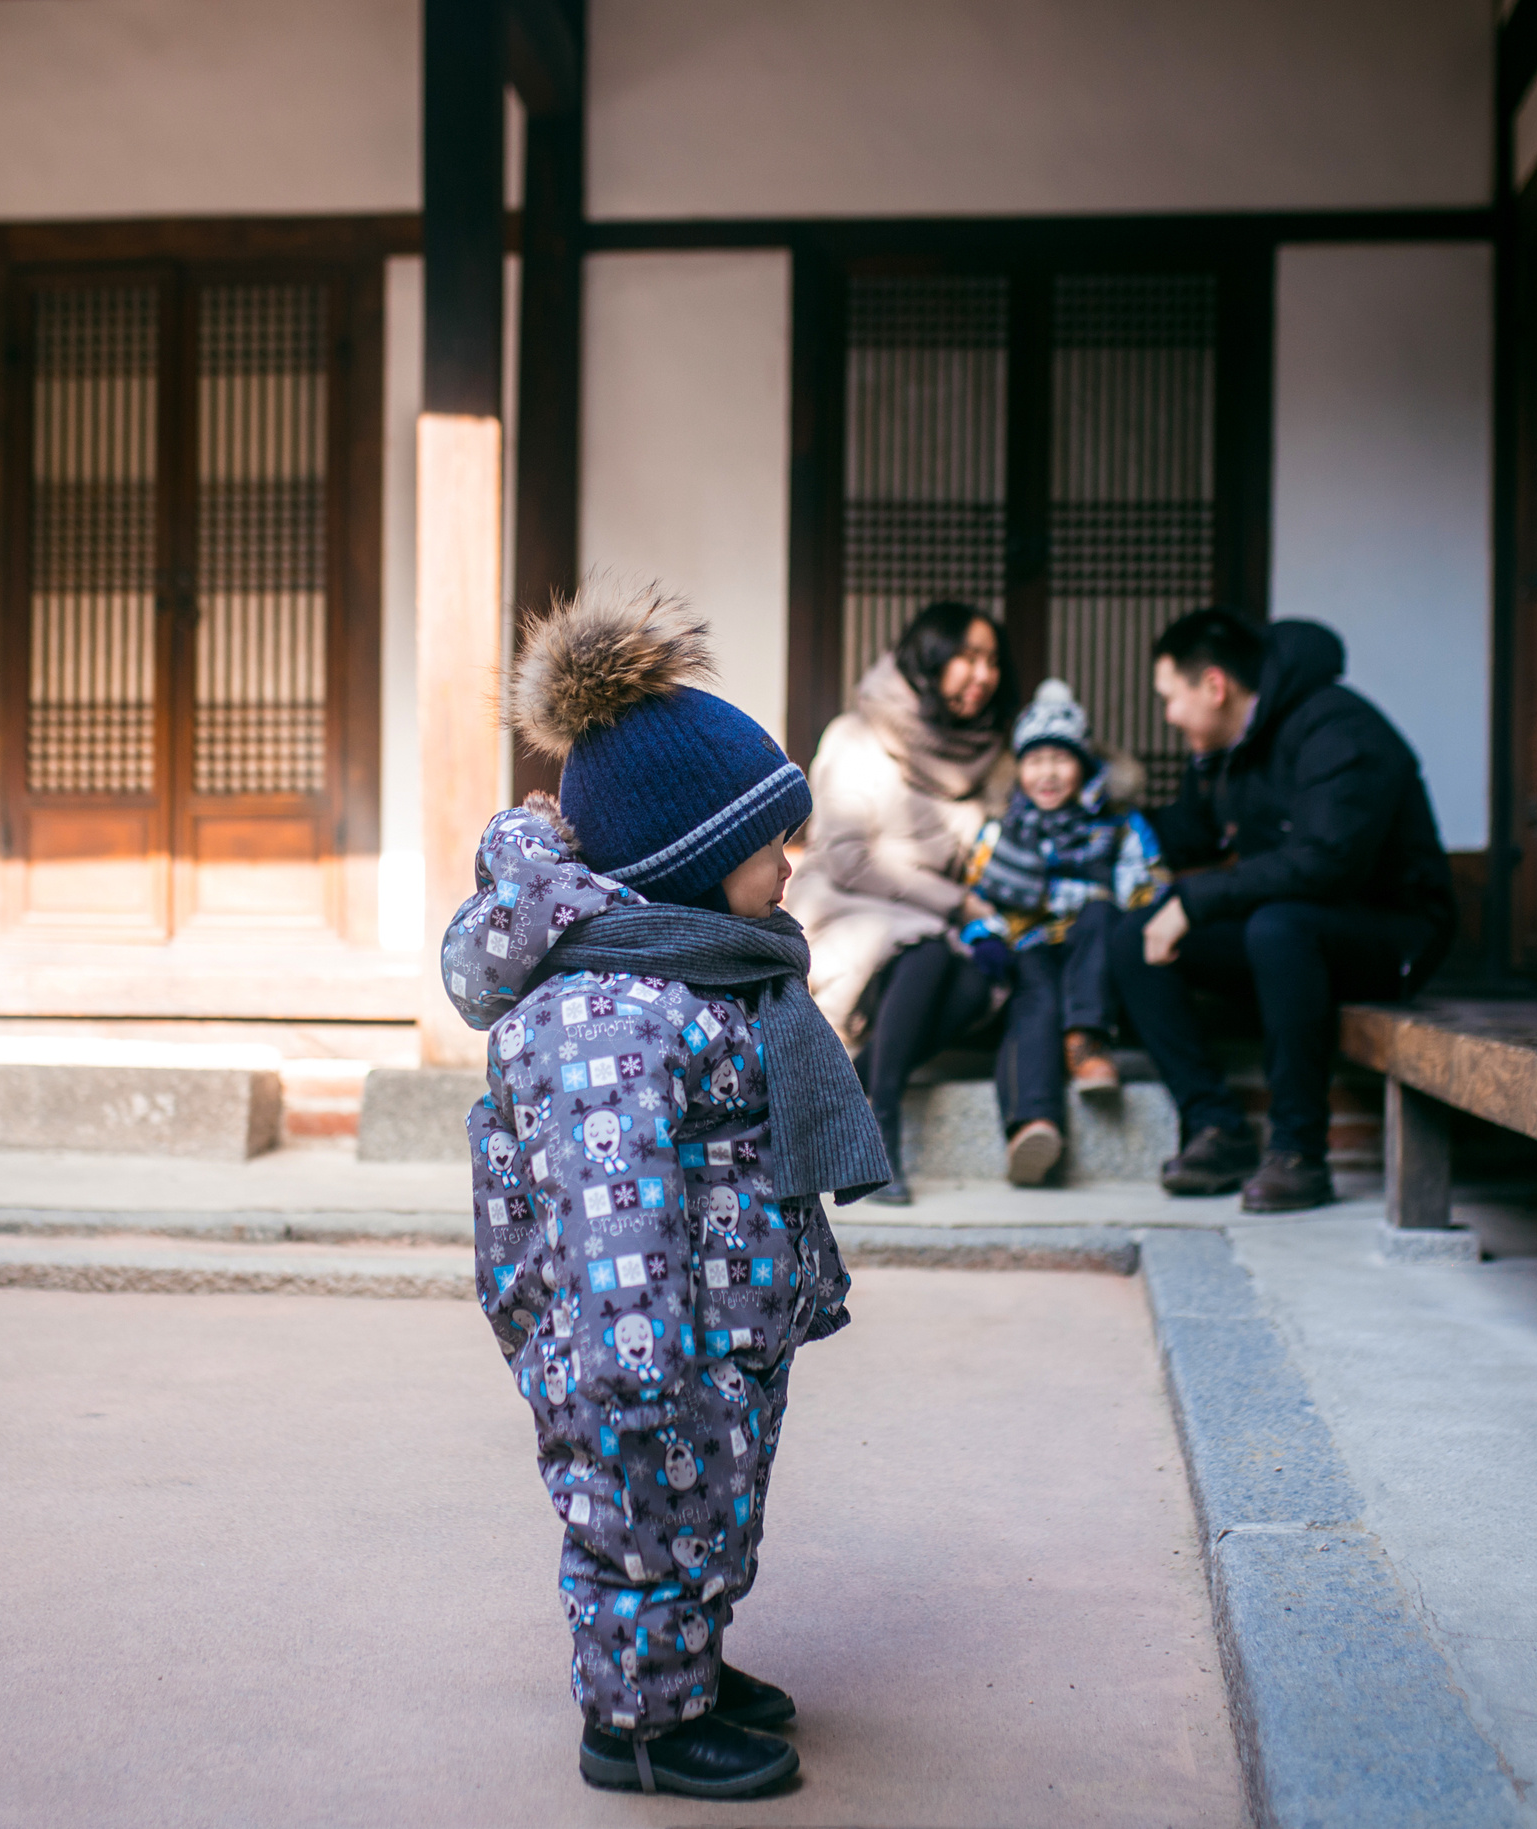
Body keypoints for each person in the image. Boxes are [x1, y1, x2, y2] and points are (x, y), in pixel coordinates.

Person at [443, 580, 891, 1801]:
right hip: (645, 1337)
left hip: (719, 1323)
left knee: (713, 1495)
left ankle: (687, 1660)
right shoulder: (605, 1016)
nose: (790, 863)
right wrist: (640, 1365)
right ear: (688, 851)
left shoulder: (695, 972)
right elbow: (608, 1216)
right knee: (645, 1500)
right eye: (770, 841)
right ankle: (637, 1720)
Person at [1109, 609, 1455, 1211]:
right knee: (1133, 936)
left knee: (1278, 926)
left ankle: (1299, 1153)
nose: (1168, 716)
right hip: (1294, 937)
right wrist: (1089, 828)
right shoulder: (1226, 752)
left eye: (1170, 698)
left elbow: (1325, 864)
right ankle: (1216, 1127)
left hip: (1391, 938)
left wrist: (1194, 899)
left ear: (1214, 686)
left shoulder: (1338, 730)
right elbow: (1190, 830)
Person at [788, 600, 1019, 1202]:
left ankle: (855, 1089)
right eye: (968, 657)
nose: (983, 675)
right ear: (928, 658)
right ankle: (880, 1123)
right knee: (929, 953)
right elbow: (846, 856)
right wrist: (960, 905)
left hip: (932, 919)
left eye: (991, 661)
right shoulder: (858, 734)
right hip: (846, 902)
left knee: (977, 983)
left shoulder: (987, 754)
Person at [955, 678, 1169, 1185]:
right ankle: (1034, 1123)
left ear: (1085, 765)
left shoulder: (1118, 825)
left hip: (1095, 951)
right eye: (1034, 760)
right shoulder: (1002, 828)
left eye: (1061, 759)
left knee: (1098, 915)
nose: (1047, 774)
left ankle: (1087, 1042)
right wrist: (983, 934)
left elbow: (1149, 885)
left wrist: (1133, 919)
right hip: (1029, 945)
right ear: (1019, 768)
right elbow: (974, 893)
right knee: (1036, 1001)